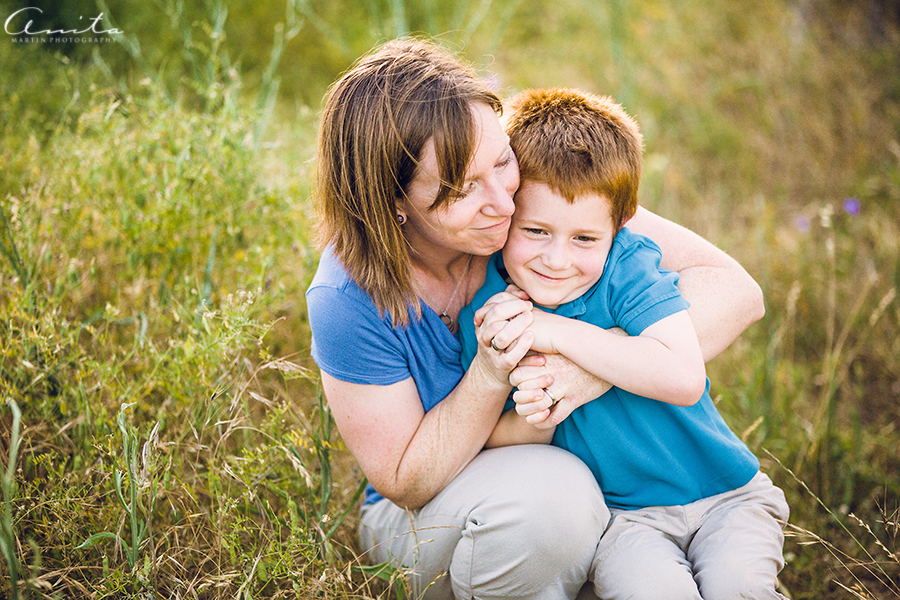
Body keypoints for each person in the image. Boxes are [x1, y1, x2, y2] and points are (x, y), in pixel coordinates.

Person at [306, 36, 766, 600]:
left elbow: (736, 291)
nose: (503, 201)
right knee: (555, 499)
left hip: (627, 506)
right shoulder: (345, 298)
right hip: (426, 519)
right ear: (392, 203)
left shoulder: (541, 207)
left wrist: (591, 363)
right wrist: (490, 374)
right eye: (461, 190)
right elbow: (407, 480)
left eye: (501, 161)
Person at [458, 88, 789, 600]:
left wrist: (557, 332)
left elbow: (681, 377)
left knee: (737, 587)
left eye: (584, 238)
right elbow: (490, 439)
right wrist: (535, 415)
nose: (557, 258)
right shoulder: (490, 310)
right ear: (508, 212)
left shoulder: (626, 268)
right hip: (625, 521)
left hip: (727, 496)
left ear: (620, 223)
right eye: (536, 230)